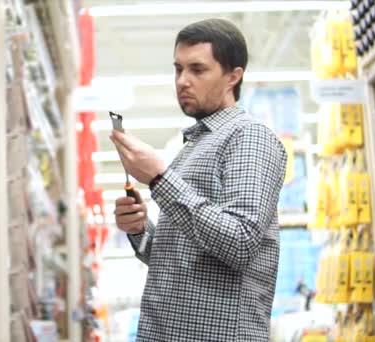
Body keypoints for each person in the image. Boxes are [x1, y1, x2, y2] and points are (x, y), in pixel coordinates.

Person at [110, 18, 287, 341]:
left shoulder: (249, 138)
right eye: (178, 69)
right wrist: (140, 229)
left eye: (197, 69)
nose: (182, 81)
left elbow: (240, 241)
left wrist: (160, 179)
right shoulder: (193, 147)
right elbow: (181, 259)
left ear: (234, 76)